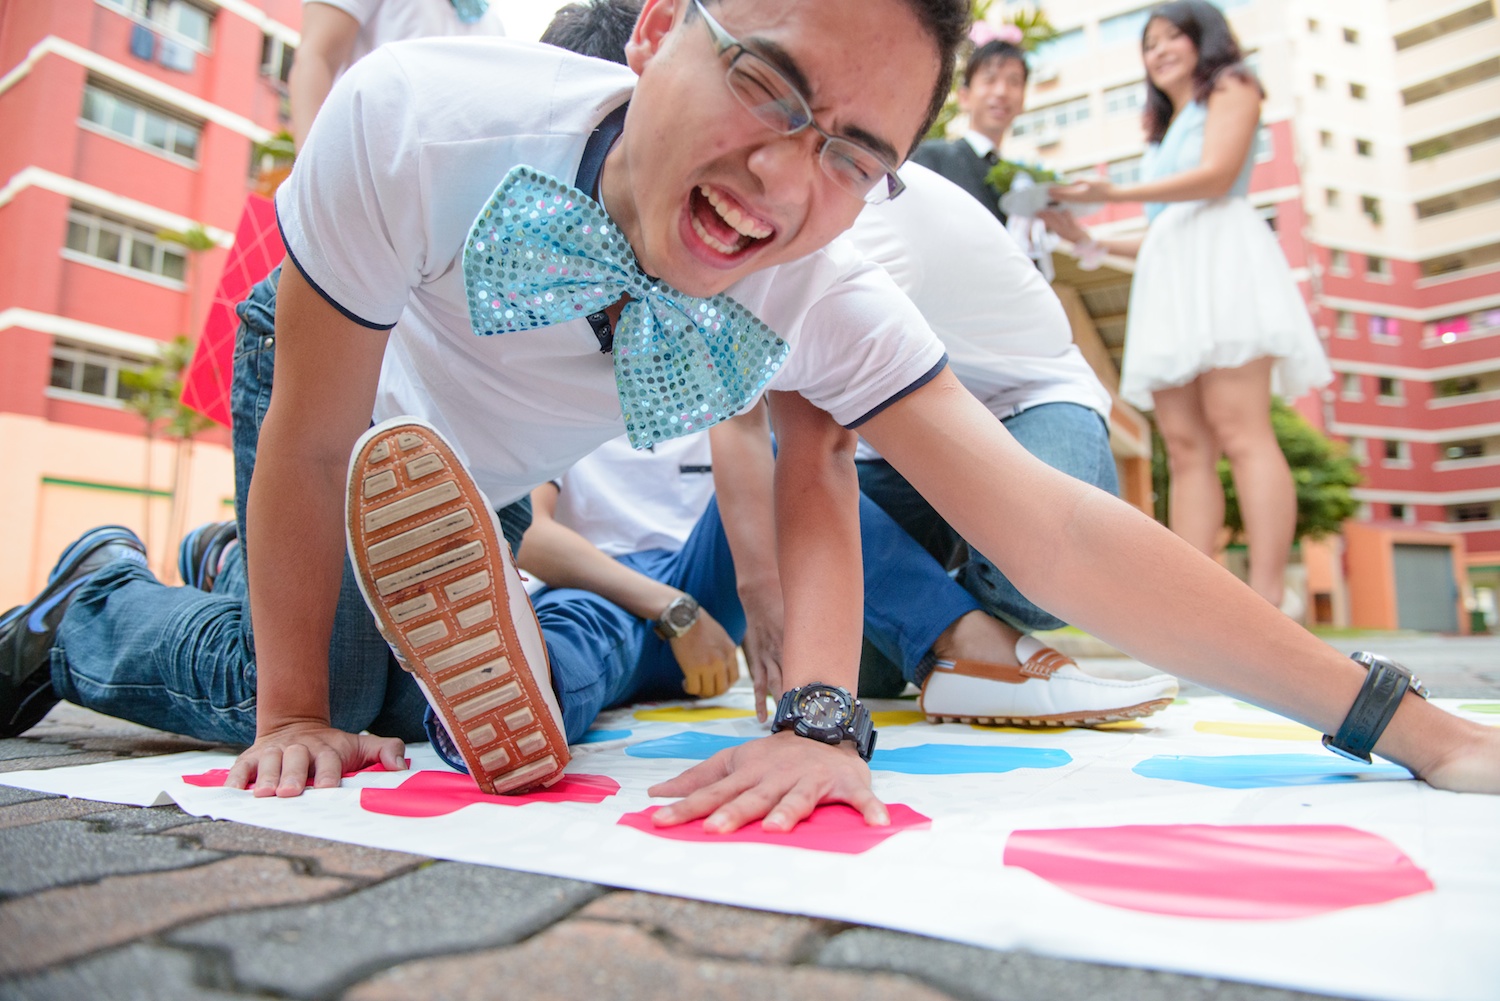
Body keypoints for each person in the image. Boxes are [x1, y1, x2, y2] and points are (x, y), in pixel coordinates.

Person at [3, 0, 1495, 841]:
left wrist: (1405, 725)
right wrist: (282, 715)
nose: (788, 182)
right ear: (658, 32)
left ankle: (194, 580)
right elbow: (319, 448)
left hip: (487, 481)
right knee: (336, 699)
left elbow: (1045, 523)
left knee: (441, 711)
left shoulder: (821, 287)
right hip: (343, 387)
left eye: (856, 153)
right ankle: (94, 602)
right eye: (770, 85)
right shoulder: (412, 122)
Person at [1043, 0, 1331, 614]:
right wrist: (1086, 239)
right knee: (1184, 444)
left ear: (1204, 40)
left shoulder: (1233, 84)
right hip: (1173, 276)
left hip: (1222, 267)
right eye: (1150, 43)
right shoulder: (1164, 128)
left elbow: (1217, 178)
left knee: (1241, 428)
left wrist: (1112, 192)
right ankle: (1197, 607)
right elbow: (1163, 228)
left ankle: (1269, 599)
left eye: (1174, 36)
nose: (1160, 50)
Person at [288, 0, 506, 149]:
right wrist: (312, 187)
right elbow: (316, 58)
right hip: (362, 174)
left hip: (431, 196)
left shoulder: (491, 24)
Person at [909, 26, 1029, 223]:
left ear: (1023, 99)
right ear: (964, 96)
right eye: (989, 80)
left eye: (1013, 82)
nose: (1001, 91)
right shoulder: (931, 158)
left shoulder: (1022, 182)